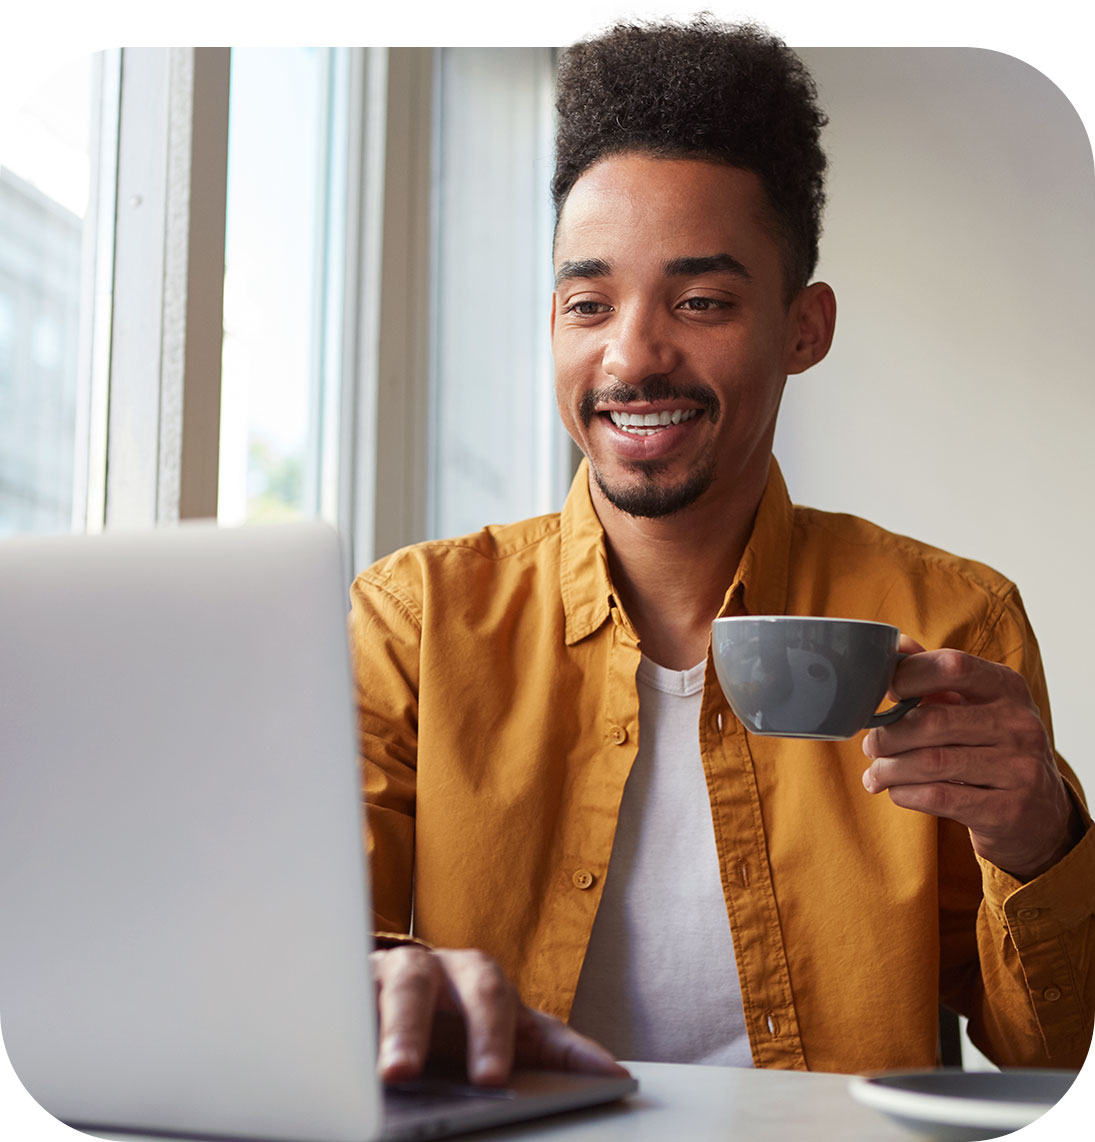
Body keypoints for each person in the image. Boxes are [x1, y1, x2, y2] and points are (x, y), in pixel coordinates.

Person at [349, 16, 1094, 1084]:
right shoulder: (411, 623)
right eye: (587, 302)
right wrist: (361, 984)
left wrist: (1043, 840)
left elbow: (1050, 1062)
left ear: (804, 327)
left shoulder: (952, 624)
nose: (633, 353)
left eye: (701, 301)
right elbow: (316, 975)